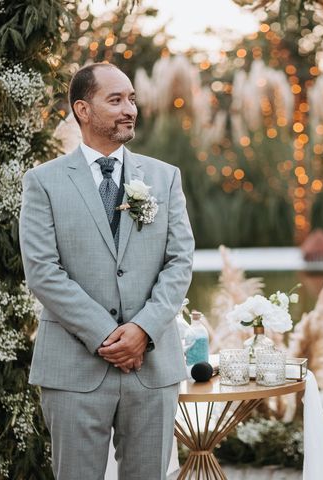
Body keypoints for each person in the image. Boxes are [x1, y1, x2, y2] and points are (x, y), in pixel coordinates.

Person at [19, 62, 194, 479]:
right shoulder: (43, 182)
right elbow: (43, 271)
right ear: (82, 109)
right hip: (74, 368)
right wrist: (106, 335)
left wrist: (142, 331)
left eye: (131, 99)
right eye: (115, 100)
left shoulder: (164, 178)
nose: (128, 109)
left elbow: (180, 261)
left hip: (151, 367)